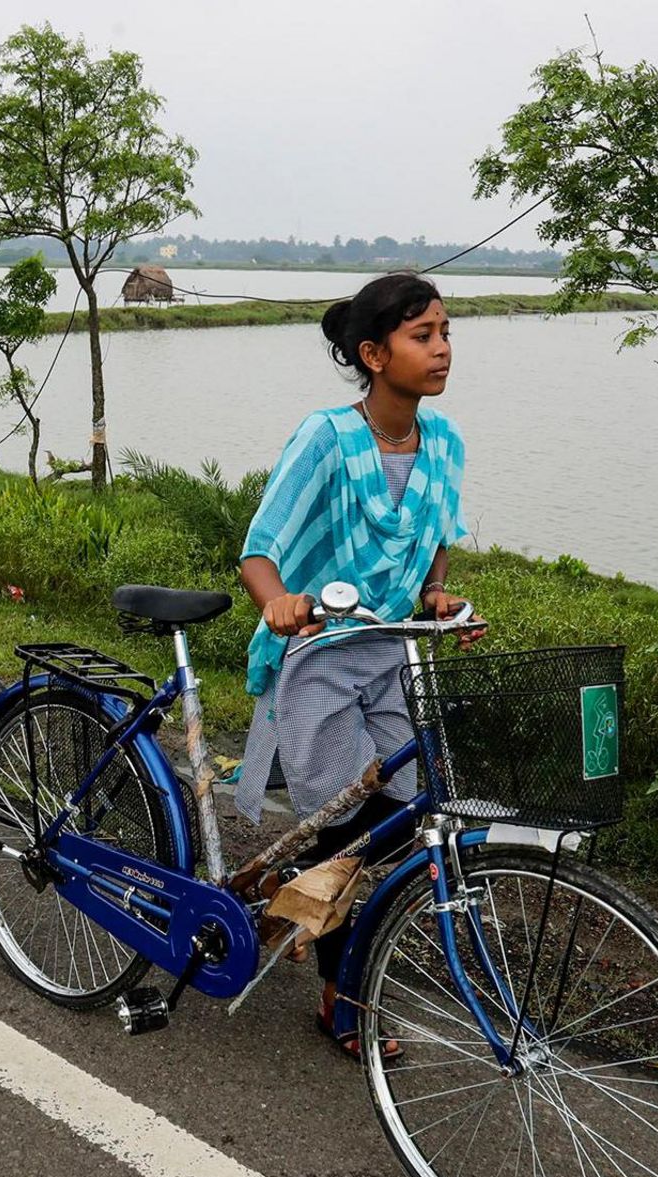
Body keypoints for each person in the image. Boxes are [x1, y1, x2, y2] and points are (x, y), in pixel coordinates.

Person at [233, 272, 480, 1059]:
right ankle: (341, 993)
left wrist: (437, 595)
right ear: (373, 354)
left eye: (444, 333)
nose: (440, 349)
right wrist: (277, 601)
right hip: (319, 655)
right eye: (422, 336)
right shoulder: (326, 437)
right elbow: (259, 550)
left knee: (402, 816)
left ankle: (284, 884)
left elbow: (436, 534)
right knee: (349, 825)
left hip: (394, 651)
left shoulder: (444, 442)